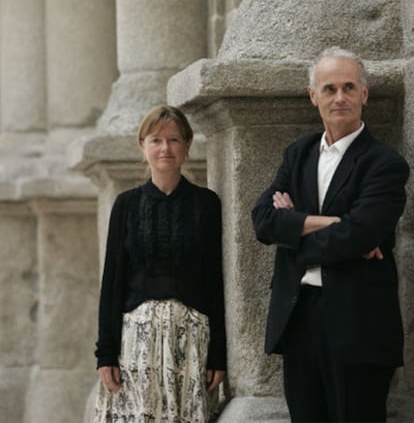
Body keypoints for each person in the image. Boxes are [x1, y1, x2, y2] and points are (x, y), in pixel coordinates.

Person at [252, 47, 410, 422]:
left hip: (358, 325)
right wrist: (332, 223)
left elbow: (360, 233)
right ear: (313, 96)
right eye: (329, 89)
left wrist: (295, 232)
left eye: (349, 87)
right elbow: (262, 220)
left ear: (364, 94)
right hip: (299, 318)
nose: (340, 98)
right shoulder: (298, 154)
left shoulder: (385, 164)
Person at [94, 105, 226, 423]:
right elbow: (112, 281)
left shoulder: (206, 204)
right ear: (143, 146)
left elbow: (216, 280)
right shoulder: (126, 205)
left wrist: (219, 354)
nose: (165, 148)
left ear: (187, 146)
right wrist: (106, 354)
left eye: (174, 140)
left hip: (192, 340)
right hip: (136, 342)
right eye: (156, 140)